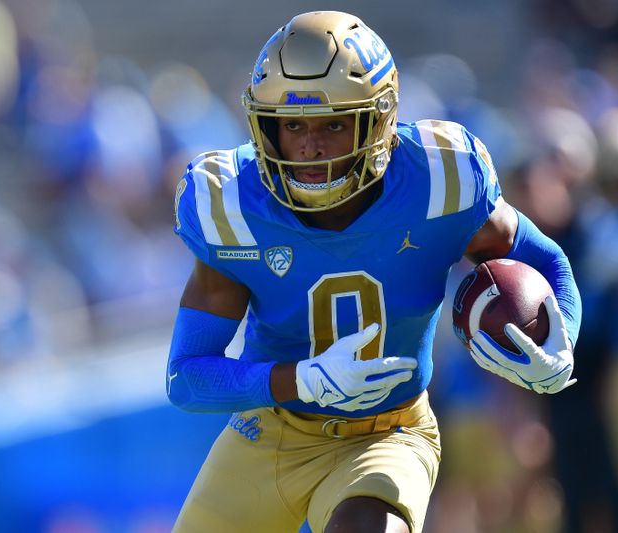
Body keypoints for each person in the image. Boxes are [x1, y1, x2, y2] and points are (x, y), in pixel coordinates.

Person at [167, 11, 582, 533]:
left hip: (388, 433)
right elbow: (186, 377)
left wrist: (563, 335)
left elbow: (544, 260)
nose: (309, 147)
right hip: (269, 433)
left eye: (334, 124)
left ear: (379, 120)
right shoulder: (231, 206)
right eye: (292, 124)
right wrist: (299, 381)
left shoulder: (439, 180)